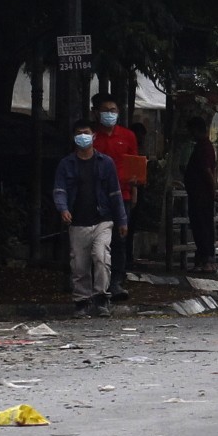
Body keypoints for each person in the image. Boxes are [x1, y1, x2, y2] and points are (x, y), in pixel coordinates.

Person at [51, 118, 127, 318]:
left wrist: (122, 220)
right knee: (79, 265)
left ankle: (102, 297)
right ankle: (82, 301)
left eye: (86, 132)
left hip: (102, 219)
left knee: (101, 257)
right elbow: (60, 190)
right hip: (77, 222)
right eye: (78, 133)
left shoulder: (106, 163)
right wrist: (63, 209)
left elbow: (115, 193)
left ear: (93, 135)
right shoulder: (66, 164)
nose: (82, 137)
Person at [91, 95, 141, 300]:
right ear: (96, 112)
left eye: (114, 110)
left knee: (120, 239)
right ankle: (95, 281)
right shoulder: (92, 136)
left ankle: (116, 282)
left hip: (123, 195)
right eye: (106, 110)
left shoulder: (128, 136)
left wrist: (135, 191)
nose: (110, 114)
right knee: (94, 239)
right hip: (96, 196)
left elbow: (134, 167)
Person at [182, 115, 218, 270]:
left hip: (201, 195)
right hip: (198, 193)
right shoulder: (202, 146)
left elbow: (207, 170)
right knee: (201, 227)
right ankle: (203, 258)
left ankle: (207, 259)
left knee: (203, 227)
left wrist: (213, 189)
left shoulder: (204, 147)